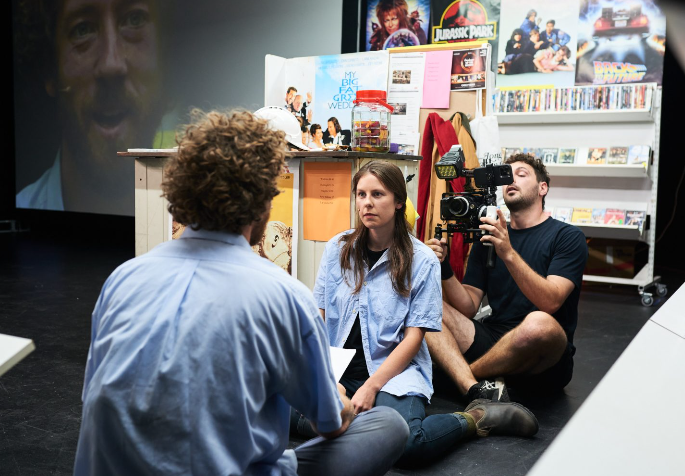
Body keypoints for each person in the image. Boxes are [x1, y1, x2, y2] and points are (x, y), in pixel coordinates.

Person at [73, 110, 410, 476]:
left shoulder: (122, 279)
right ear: (263, 202)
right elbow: (330, 425)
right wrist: (338, 398)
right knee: (389, 425)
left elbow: (96, 396)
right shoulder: (284, 295)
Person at [292, 161, 539, 468]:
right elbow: (319, 316)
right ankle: (361, 426)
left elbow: (414, 338)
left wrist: (371, 386)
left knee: (408, 443)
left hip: (393, 372)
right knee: (275, 408)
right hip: (339, 367)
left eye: (377, 194)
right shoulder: (337, 248)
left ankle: (475, 418)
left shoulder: (422, 260)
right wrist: (325, 377)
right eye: (361, 194)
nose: (367, 203)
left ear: (399, 201)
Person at [424, 154, 588, 405]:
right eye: (507, 176)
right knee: (423, 304)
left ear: (542, 188)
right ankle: (473, 385)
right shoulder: (489, 237)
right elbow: (468, 307)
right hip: (493, 341)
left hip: (544, 358)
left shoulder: (567, 236)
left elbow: (551, 302)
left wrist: (508, 252)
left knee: (539, 324)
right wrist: (443, 267)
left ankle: (459, 378)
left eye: (521, 174)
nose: (511, 180)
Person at [14, 0, 173, 215]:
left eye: (134, 19)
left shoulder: (204, 222)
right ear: (49, 68)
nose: (111, 65)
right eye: (82, 29)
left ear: (165, 52)